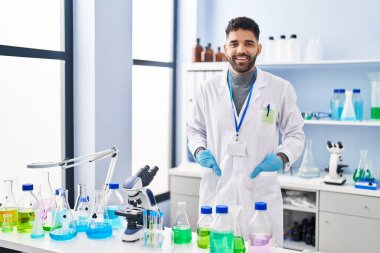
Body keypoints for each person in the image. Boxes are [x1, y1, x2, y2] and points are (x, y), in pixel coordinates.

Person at [187, 17, 305, 246]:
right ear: (225, 48)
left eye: (248, 43)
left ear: (258, 48)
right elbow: (194, 129)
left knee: (259, 248)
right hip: (218, 189)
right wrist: (199, 149)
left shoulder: (279, 88)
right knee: (219, 248)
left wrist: (282, 157)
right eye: (234, 43)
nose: (241, 50)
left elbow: (296, 133)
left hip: (259, 193)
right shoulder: (207, 89)